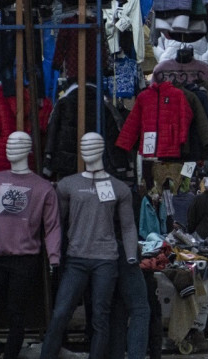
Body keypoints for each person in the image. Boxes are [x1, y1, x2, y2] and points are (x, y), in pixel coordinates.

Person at [41, 132, 139, 359]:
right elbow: (56, 222)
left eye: (92, 144)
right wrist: (53, 253)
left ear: (102, 148)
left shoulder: (118, 188)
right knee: (60, 314)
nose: (87, 149)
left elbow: (127, 226)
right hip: (76, 258)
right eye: (83, 144)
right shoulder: (67, 185)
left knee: (100, 318)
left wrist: (131, 255)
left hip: (106, 260)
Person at [0, 132, 61, 359]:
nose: (10, 148)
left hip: (25, 259)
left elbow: (52, 226)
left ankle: (10, 355)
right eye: (9, 143)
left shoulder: (43, 188)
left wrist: (54, 257)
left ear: (28, 149)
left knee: (16, 312)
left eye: (17, 143)